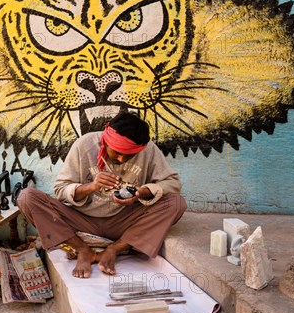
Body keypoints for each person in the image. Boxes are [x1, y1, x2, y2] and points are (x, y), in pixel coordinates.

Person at [17, 112, 186, 278]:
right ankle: (83, 249)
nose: (121, 160)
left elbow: (172, 183)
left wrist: (141, 192)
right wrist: (91, 187)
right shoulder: (84, 145)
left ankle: (114, 249)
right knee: (27, 198)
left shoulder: (148, 149)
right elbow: (61, 190)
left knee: (175, 203)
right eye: (117, 153)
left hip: (123, 221)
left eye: (129, 156)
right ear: (105, 141)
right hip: (81, 220)